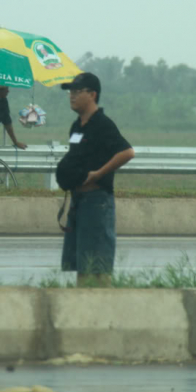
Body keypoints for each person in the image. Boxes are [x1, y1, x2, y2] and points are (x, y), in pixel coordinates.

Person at [57, 72, 135, 287]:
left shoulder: (102, 124)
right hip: (78, 202)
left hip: (96, 201)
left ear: (92, 94)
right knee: (82, 264)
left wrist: (98, 174)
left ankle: (102, 308)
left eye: (77, 91)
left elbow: (127, 152)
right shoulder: (77, 126)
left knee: (97, 265)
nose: (72, 96)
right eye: (70, 92)